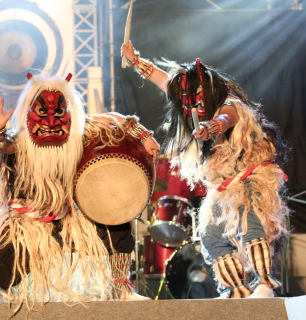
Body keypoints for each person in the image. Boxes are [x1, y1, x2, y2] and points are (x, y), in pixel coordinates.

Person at [0, 72, 159, 319]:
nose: (51, 122)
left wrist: (146, 137)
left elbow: (114, 120)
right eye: (42, 114)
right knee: (1, 260)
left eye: (58, 114)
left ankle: (121, 289)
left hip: (70, 220)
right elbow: (3, 143)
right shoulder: (20, 141)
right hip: (29, 227)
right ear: (30, 112)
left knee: (116, 225)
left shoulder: (79, 133)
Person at [121, 41, 290, 298]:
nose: (190, 108)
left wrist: (212, 127)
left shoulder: (230, 104)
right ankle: (236, 289)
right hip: (222, 186)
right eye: (187, 102)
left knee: (251, 225)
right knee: (211, 235)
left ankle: (265, 285)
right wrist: (135, 61)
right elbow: (165, 81)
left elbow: (226, 118)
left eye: (196, 101)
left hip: (249, 177)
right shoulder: (187, 103)